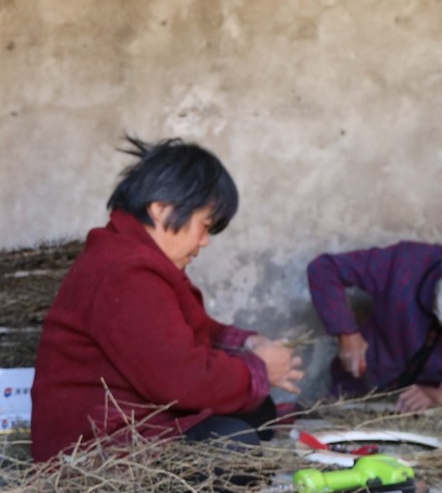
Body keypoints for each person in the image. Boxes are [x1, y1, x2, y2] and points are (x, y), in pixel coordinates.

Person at [31, 137, 302, 460]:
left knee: (259, 411)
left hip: (139, 422)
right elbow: (181, 380)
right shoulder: (126, 270)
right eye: (203, 225)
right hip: (96, 454)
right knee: (231, 445)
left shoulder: (133, 256)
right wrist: (258, 371)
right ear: (161, 209)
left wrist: (249, 344)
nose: (204, 242)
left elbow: (187, 330)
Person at [307, 243, 442, 416]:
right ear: (439, 288)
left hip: (429, 416)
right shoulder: (408, 264)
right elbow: (325, 269)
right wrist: (347, 333)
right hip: (357, 395)